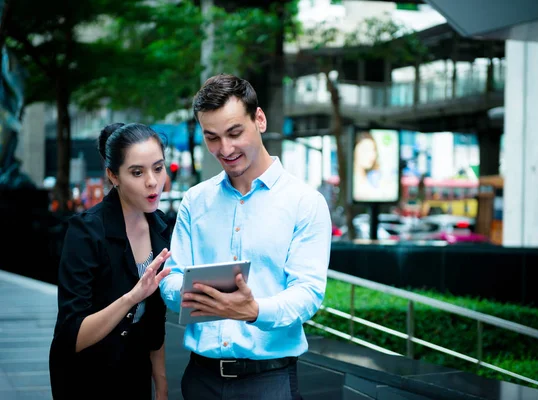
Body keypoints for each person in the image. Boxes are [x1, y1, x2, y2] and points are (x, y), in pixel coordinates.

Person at [159, 73, 332, 399]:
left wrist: (254, 311)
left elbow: (308, 293)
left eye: (235, 132)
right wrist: (180, 292)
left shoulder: (304, 202)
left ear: (260, 120)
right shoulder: (195, 201)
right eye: (212, 137)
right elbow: (173, 277)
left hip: (269, 381)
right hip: (201, 378)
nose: (225, 149)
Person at [49, 122, 173, 400]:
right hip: (86, 377)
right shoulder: (86, 232)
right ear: (113, 176)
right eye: (137, 172)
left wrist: (161, 383)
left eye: (158, 167)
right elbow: (72, 336)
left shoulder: (161, 227)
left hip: (134, 371)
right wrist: (132, 297)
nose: (152, 181)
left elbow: (155, 321)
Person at [352, 131, 382, 201]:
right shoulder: (351, 182)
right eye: (366, 150)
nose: (372, 155)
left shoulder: (375, 179)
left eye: (373, 150)